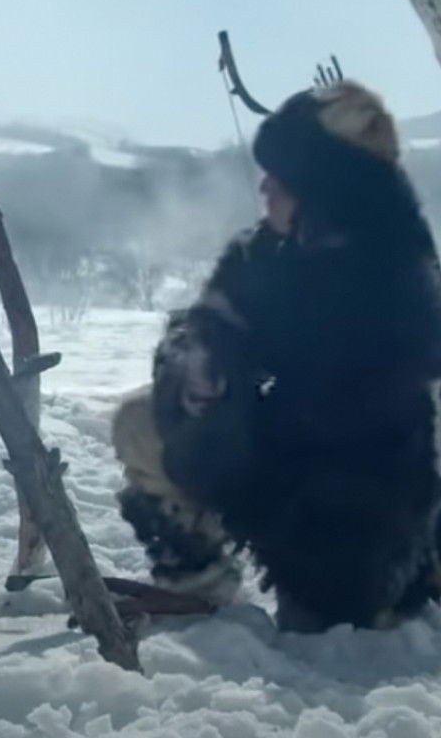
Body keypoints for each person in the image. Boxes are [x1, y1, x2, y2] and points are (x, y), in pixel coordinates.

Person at [111, 80, 441, 632]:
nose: (265, 187)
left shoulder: (401, 286)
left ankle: (397, 592)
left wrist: (230, 415)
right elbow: (205, 324)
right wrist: (201, 364)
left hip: (365, 530)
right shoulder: (268, 254)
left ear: (324, 188)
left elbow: (355, 442)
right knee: (141, 420)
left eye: (282, 178)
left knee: (338, 626)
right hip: (293, 493)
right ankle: (196, 582)